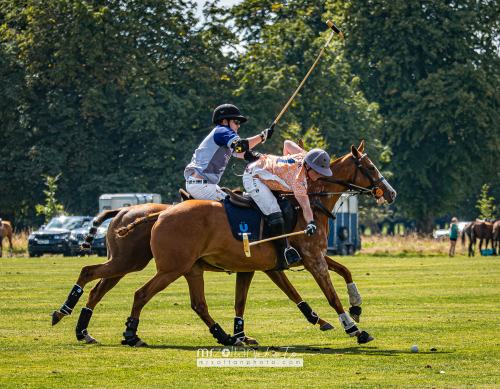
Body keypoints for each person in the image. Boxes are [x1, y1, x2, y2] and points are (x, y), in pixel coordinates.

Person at [243, 140, 332, 268]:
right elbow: (305, 206)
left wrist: (284, 165)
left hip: (261, 167)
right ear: (308, 167)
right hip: (253, 176)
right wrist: (311, 222)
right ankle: (284, 251)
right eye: (318, 172)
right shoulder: (298, 180)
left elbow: (287, 143)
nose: (320, 175)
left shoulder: (304, 155)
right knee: (274, 211)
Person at [184, 104, 272, 201]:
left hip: (202, 184)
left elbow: (245, 153)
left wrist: (265, 158)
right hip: (202, 186)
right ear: (224, 122)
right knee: (236, 207)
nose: (238, 125)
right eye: (236, 121)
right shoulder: (222, 130)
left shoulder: (224, 138)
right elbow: (240, 146)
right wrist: (262, 136)